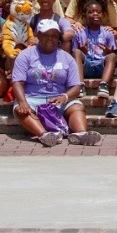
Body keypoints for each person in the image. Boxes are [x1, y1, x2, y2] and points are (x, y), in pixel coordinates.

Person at [11, 17, 101, 146]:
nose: (50, 38)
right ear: (38, 35)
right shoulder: (25, 55)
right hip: (32, 98)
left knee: (77, 107)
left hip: (59, 99)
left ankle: (81, 134)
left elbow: (75, 86)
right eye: (46, 35)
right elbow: (17, 82)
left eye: (54, 35)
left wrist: (65, 97)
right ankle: (45, 135)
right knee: (21, 111)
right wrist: (22, 102)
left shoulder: (67, 58)